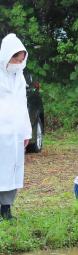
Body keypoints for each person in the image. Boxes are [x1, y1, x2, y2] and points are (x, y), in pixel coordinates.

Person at [0, 33, 32, 220]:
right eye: (15, 59)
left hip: (15, 132)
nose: (18, 63)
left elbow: (23, 104)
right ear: (6, 56)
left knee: (13, 169)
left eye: (21, 60)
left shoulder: (19, 77)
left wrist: (26, 131)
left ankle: (6, 208)